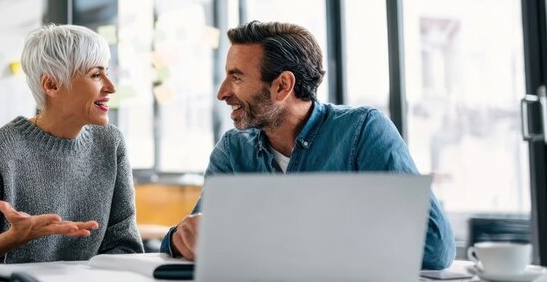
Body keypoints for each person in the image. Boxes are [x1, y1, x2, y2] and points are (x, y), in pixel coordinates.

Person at [159, 21, 455, 270]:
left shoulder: (363, 131)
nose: (223, 93)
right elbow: (198, 237)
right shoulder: (233, 150)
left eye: (236, 78)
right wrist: (179, 238)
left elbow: (434, 247)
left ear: (282, 86)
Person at [0, 25, 144, 265]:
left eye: (107, 72)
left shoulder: (111, 143)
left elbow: (126, 246)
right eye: (96, 75)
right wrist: (14, 238)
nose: (111, 87)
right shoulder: (0, 151)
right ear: (51, 85)